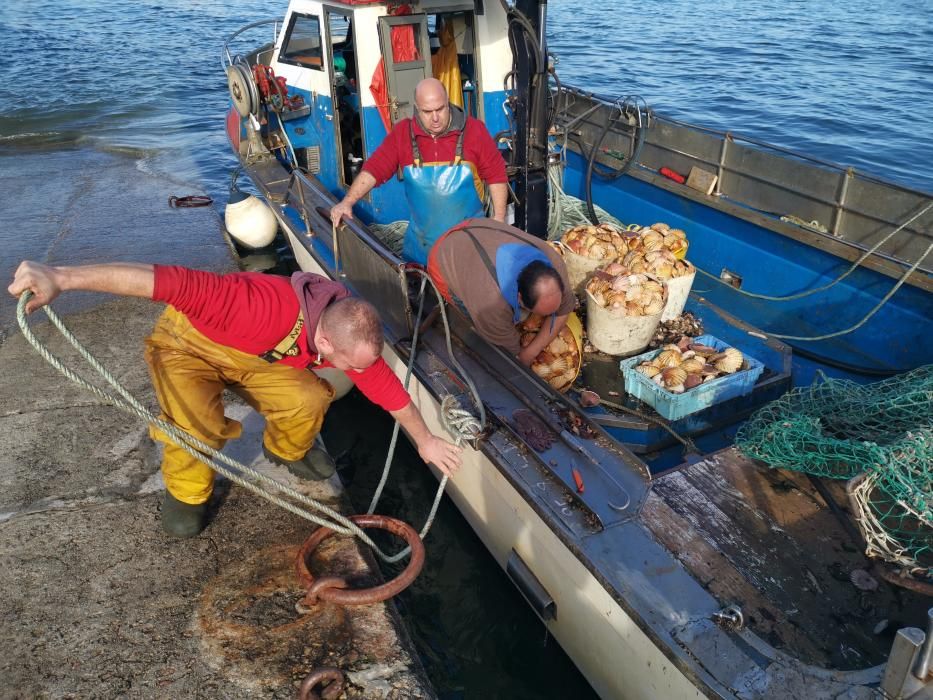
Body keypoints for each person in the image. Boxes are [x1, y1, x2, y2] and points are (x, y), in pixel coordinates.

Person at [8, 261, 462, 537]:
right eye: (349, 363)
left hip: (256, 356)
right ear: (322, 341)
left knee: (309, 397)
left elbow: (388, 391)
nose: (357, 372)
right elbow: (157, 280)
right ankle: (187, 495)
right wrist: (61, 277)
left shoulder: (350, 329)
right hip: (190, 345)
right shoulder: (251, 305)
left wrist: (424, 441)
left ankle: (286, 450)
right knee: (197, 425)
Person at [330, 77, 508, 266]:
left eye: (440, 109)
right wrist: (347, 202)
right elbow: (375, 169)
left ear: (447, 102)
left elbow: (496, 175)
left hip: (470, 247)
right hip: (420, 251)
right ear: (416, 108)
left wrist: (499, 218)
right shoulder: (402, 134)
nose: (435, 118)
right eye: (427, 112)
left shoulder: (475, 130)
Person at [426, 218, 576, 366]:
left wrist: (532, 350)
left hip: (476, 225)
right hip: (444, 256)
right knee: (482, 327)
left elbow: (564, 309)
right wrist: (522, 354)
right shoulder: (490, 304)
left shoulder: (554, 261)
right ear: (520, 298)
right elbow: (512, 352)